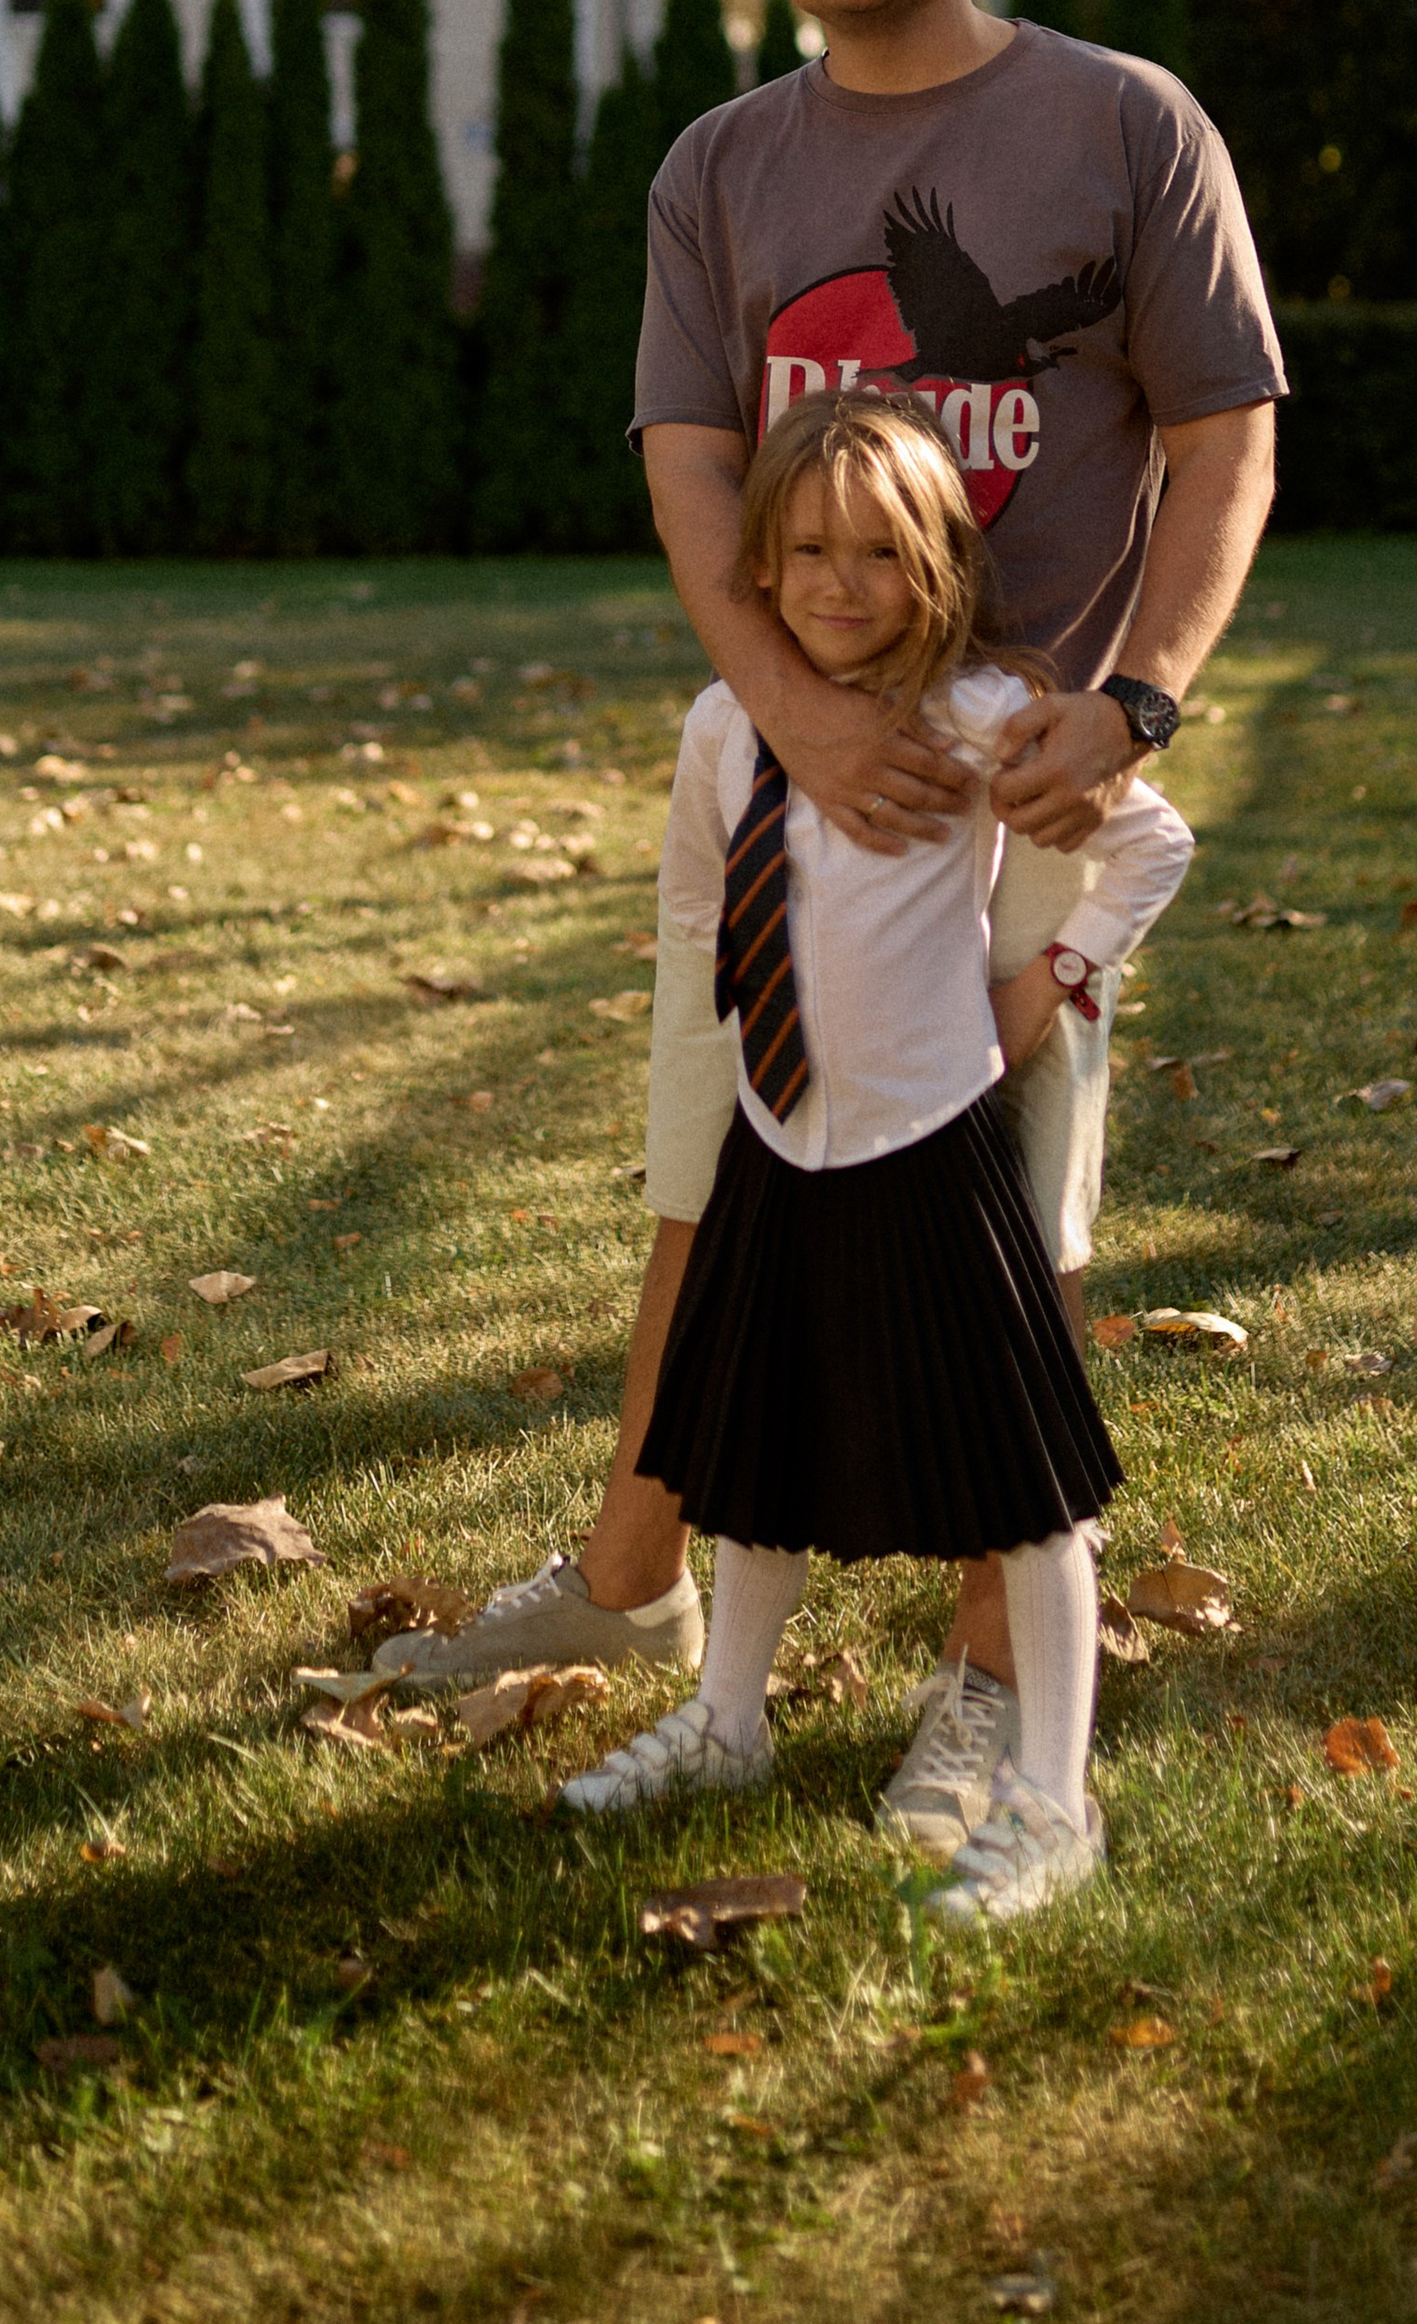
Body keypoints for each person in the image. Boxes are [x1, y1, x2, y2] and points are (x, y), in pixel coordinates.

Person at [375, 0, 1283, 1850]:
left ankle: (986, 1677)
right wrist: (782, 708)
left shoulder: (1123, 125)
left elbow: (1225, 436)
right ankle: (629, 1581)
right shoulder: (720, 163)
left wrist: (1132, 701)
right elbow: (693, 461)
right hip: (784, 787)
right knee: (709, 1194)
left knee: (1004, 1245)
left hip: (1005, 790)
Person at [554, 387, 1195, 1917]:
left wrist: (1053, 979)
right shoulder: (727, 724)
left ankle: (1051, 1800)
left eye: (881, 555)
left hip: (930, 1147)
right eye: (807, 551)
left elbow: (1151, 841)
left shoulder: (983, 717)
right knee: (760, 1452)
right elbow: (714, 897)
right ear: (757, 570)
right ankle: (726, 1724)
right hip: (783, 1133)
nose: (842, 583)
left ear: (940, 571)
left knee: (1025, 1486)